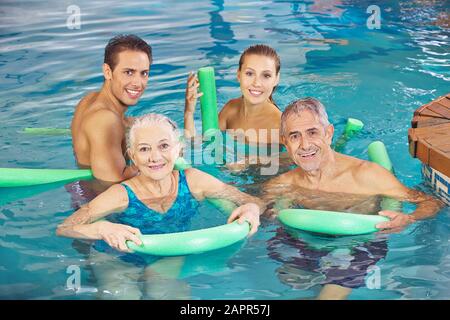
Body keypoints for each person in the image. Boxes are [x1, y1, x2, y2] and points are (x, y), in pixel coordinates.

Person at [57, 113, 264, 299]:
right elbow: (65, 228)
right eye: (144, 149)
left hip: (168, 253)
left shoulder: (193, 181)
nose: (155, 157)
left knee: (165, 292)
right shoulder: (121, 195)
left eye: (164, 146)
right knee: (124, 295)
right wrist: (103, 228)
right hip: (117, 257)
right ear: (133, 157)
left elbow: (254, 202)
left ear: (178, 149)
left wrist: (252, 210)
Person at [263, 97, 444, 299]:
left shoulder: (367, 176)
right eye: (295, 136)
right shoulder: (284, 184)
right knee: (291, 278)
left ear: (329, 133)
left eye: (312, 132)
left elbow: (431, 201)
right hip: (306, 238)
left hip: (357, 243)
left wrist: (409, 218)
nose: (305, 144)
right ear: (285, 143)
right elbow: (258, 210)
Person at [71, 34, 152, 184]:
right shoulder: (106, 120)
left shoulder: (89, 100)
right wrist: (161, 158)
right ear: (107, 72)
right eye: (129, 72)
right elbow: (112, 182)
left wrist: (188, 112)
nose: (138, 83)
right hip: (98, 199)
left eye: (144, 73)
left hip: (80, 191)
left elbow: (120, 125)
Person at [184, 44, 281, 145]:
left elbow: (291, 159)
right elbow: (200, 146)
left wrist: (249, 160)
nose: (256, 83)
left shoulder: (280, 126)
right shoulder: (231, 110)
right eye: (249, 73)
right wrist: (189, 112)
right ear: (238, 75)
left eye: (266, 75)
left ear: (276, 79)